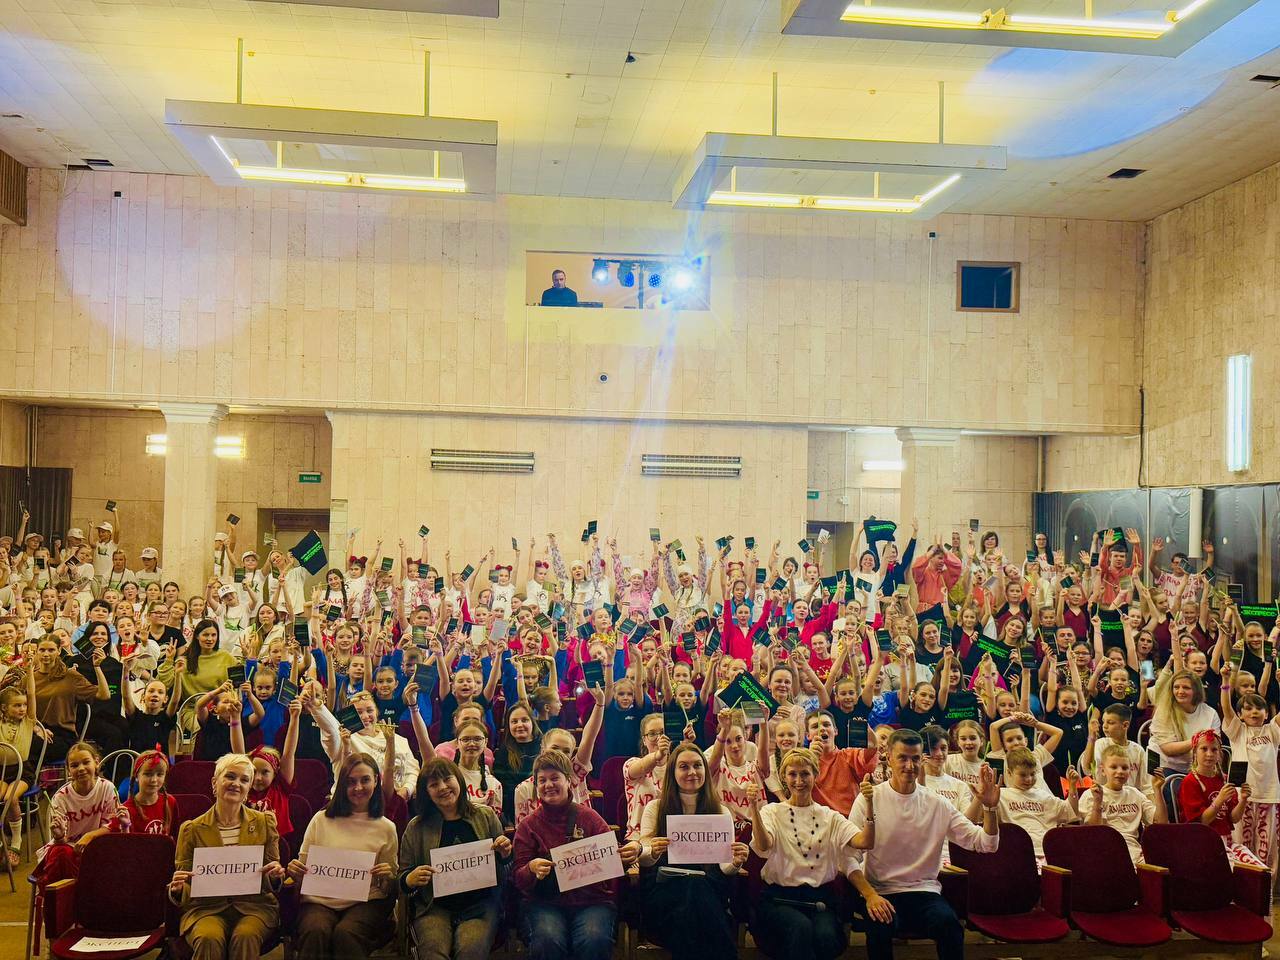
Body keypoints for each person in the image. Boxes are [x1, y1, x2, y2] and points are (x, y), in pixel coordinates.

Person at [847, 728, 1001, 960]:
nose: (910, 765)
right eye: (903, 758)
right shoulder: (868, 799)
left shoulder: (937, 803)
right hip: (881, 891)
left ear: (922, 759)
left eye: (916, 758)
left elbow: (986, 844)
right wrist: (869, 895)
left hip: (925, 891)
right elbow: (849, 856)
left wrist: (989, 808)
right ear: (889, 758)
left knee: (950, 926)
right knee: (879, 927)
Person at [746, 748, 875, 960]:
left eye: (805, 774)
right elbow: (763, 844)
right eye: (792, 774)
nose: (799, 781)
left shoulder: (830, 816)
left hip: (820, 901)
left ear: (815, 775)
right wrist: (753, 808)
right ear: (784, 777)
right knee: (800, 928)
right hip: (779, 899)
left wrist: (869, 806)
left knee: (825, 936)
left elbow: (865, 842)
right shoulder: (772, 811)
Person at [513, 751, 639, 960]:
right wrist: (531, 868)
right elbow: (518, 877)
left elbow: (612, 859)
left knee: (594, 939)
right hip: (545, 902)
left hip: (592, 901)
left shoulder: (589, 818)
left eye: (555, 778)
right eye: (542, 780)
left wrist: (626, 856)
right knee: (548, 940)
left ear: (569, 781)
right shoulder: (528, 826)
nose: (548, 785)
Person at [637, 741, 749, 960]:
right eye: (684, 767)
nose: (692, 772)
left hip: (708, 890)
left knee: (694, 895)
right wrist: (653, 851)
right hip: (666, 895)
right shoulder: (655, 808)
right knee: (693, 896)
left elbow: (725, 867)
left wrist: (736, 862)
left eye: (697, 765)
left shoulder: (721, 811)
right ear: (672, 772)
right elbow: (644, 860)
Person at [169, 753, 286, 960]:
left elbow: (270, 878)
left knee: (245, 936)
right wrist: (178, 890)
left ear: (248, 788)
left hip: (254, 906)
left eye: (244, 780)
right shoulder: (191, 830)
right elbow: (186, 884)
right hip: (206, 908)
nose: (236, 784)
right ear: (215, 783)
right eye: (230, 776)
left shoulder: (265, 823)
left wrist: (275, 876)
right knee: (209, 938)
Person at [399, 758, 512, 960]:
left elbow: (506, 871)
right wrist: (409, 879)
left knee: (470, 951)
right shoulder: (416, 827)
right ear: (426, 792)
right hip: (434, 907)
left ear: (458, 779)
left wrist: (505, 855)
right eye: (434, 784)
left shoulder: (486, 815)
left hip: (480, 906)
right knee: (433, 952)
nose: (443, 787)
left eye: (447, 779)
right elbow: (402, 879)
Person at [289, 754, 399, 960]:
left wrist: (387, 877)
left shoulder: (386, 828)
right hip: (319, 901)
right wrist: (295, 870)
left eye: (365, 780)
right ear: (342, 785)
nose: (358, 787)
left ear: (376, 780)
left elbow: (389, 886)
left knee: (346, 934)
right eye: (351, 782)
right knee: (315, 930)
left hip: (366, 902)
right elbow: (303, 868)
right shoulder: (321, 820)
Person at [125, 749, 178, 836]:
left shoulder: (170, 802)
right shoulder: (127, 809)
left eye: (159, 774)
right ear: (137, 776)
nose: (154, 780)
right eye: (148, 774)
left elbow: (175, 837)